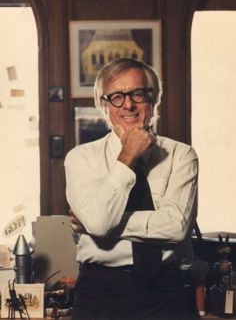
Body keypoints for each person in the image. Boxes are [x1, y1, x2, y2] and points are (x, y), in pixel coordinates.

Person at [64, 58, 199, 320]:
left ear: (155, 99)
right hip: (99, 293)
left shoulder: (182, 155)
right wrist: (128, 154)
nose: (128, 104)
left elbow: (177, 227)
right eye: (116, 97)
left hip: (168, 290)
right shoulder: (80, 158)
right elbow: (102, 223)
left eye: (138, 93)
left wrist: (98, 224)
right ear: (104, 106)